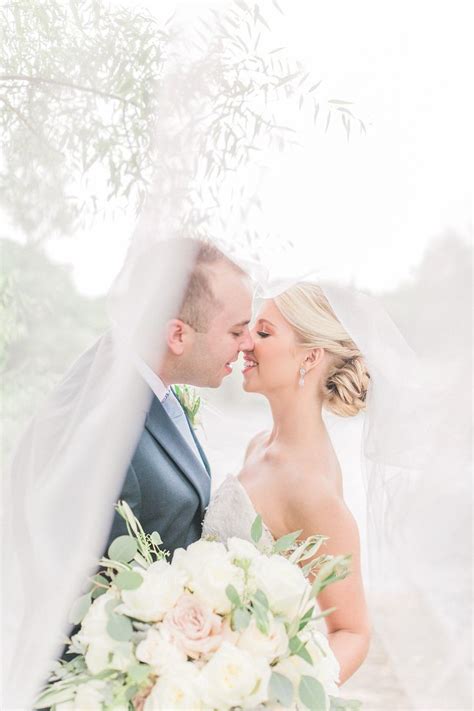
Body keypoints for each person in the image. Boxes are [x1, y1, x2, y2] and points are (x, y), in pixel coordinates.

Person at [203, 282, 372, 684]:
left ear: (311, 357)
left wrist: (280, 694)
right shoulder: (259, 445)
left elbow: (353, 631)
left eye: (263, 333)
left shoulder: (311, 489)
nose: (245, 343)